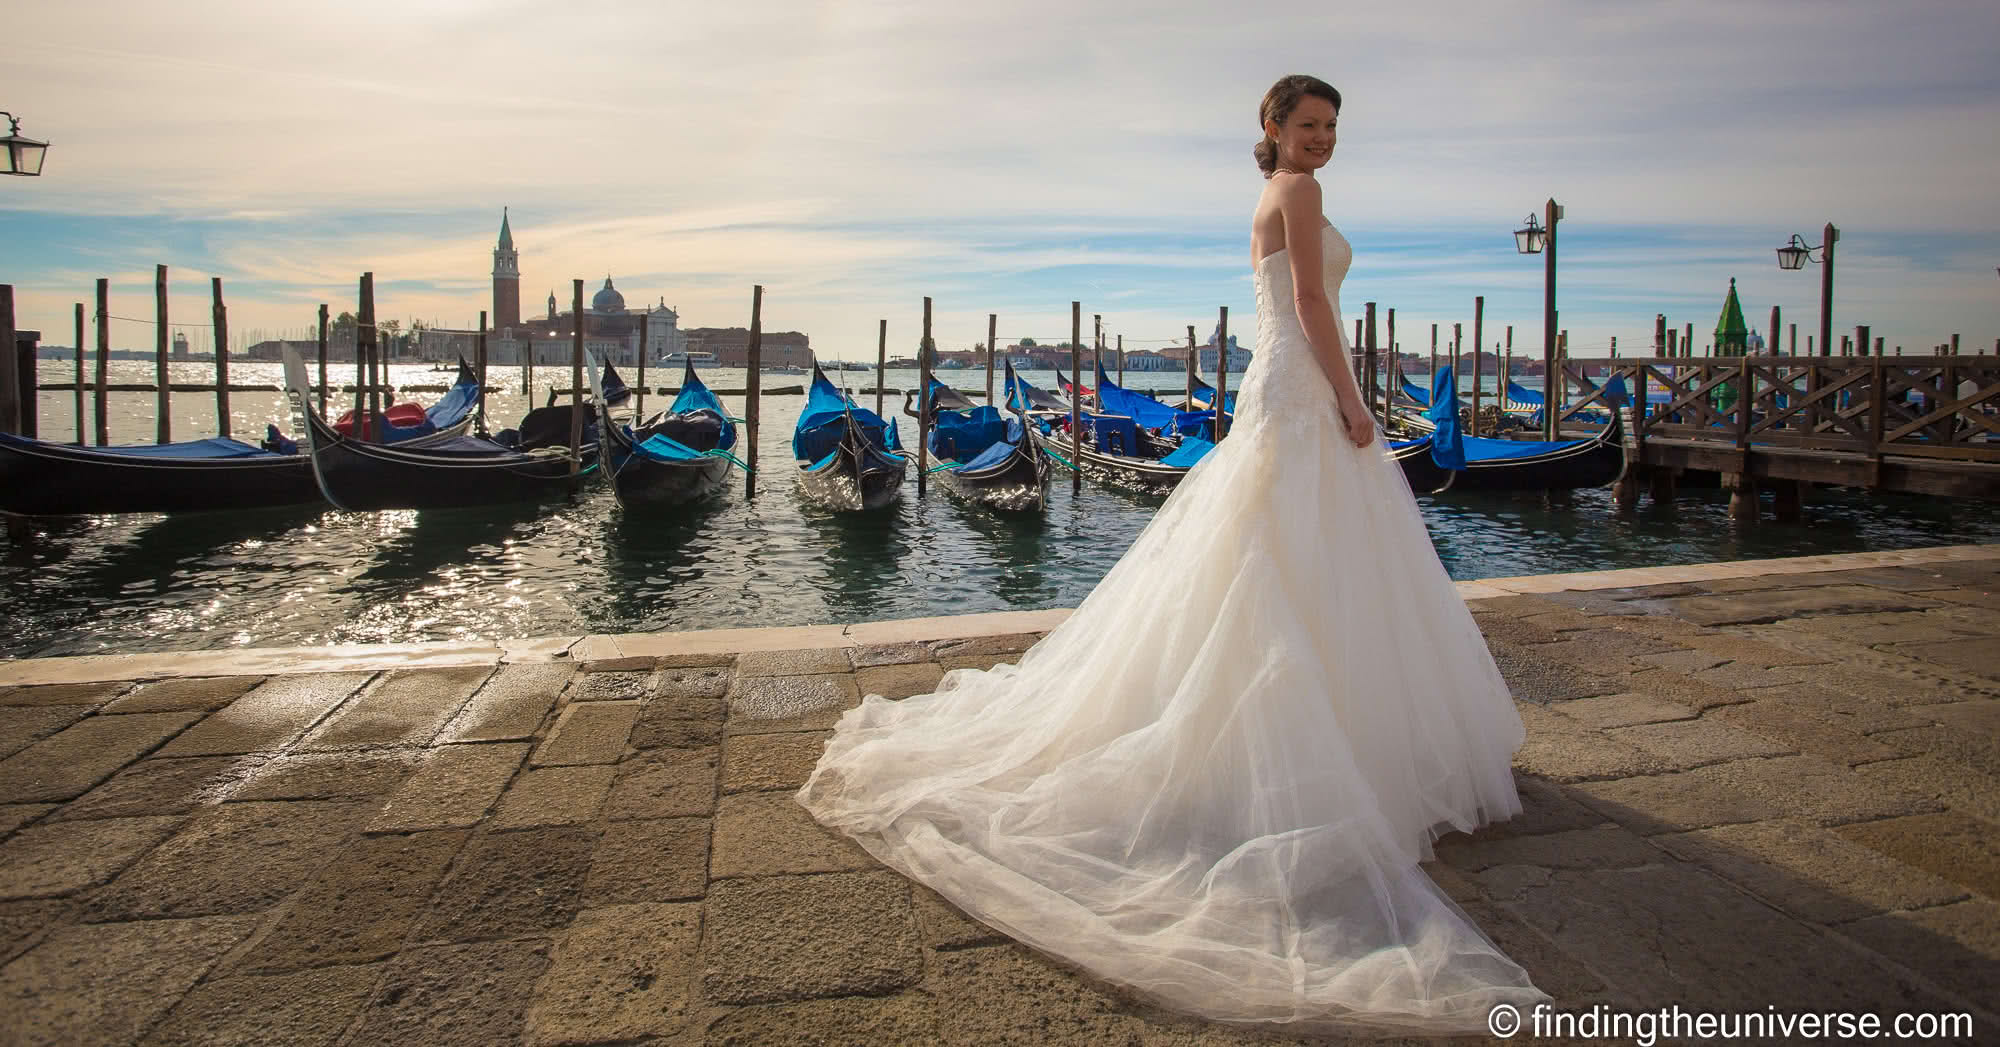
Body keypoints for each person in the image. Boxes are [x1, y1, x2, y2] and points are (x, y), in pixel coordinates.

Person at [797, 74, 1547, 1035]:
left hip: (1277, 387)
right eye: (1308, 125)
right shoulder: (1301, 193)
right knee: (1301, 562)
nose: (1322, 142)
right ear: (1271, 127)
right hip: (1306, 387)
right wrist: (1357, 404)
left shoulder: (1267, 198)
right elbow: (1316, 305)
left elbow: (1296, 303)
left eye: (1332, 129)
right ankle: (1327, 750)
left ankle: (1309, 744)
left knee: (1271, 560)